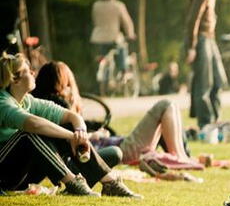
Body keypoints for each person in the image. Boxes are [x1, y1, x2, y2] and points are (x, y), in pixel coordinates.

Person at [0, 53, 140, 197]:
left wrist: (80, 132)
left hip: (25, 175)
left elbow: (71, 116)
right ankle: (73, 183)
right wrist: (71, 136)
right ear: (15, 79)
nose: (33, 72)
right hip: (4, 173)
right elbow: (34, 124)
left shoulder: (28, 101)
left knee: (67, 126)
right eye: (28, 71)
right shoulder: (3, 102)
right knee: (28, 134)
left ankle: (109, 183)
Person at [33, 61, 200, 168]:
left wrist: (93, 131)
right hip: (120, 149)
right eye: (67, 84)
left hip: (118, 146)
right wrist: (94, 135)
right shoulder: (60, 108)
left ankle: (181, 156)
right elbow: (71, 140)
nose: (70, 88)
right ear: (60, 83)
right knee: (166, 105)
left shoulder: (46, 107)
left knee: (170, 106)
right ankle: (180, 157)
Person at [32, 61, 123, 170]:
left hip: (50, 163)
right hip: (68, 162)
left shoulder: (35, 103)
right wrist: (94, 135)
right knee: (117, 151)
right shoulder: (59, 104)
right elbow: (70, 137)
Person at [184, 0, 227, 130]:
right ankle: (205, 124)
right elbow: (193, 18)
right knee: (204, 85)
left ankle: (215, 120)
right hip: (201, 39)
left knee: (219, 81)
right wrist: (191, 46)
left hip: (210, 38)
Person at [90, 0, 136, 77]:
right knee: (122, 47)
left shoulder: (96, 5)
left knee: (102, 56)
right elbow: (126, 22)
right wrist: (130, 34)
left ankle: (103, 75)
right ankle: (123, 70)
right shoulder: (118, 5)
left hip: (97, 38)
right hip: (113, 37)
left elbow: (95, 19)